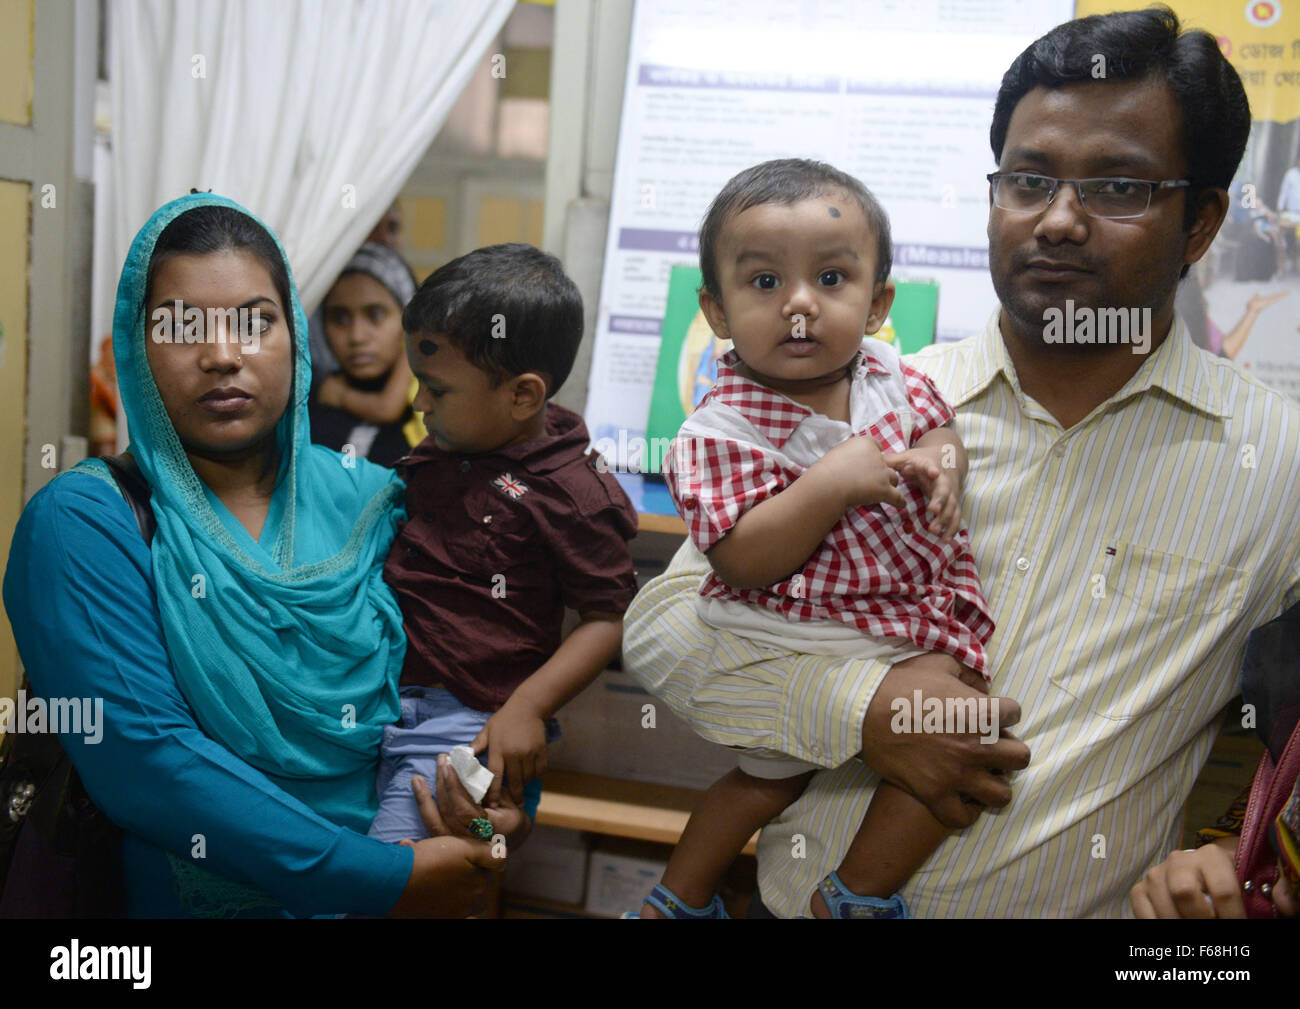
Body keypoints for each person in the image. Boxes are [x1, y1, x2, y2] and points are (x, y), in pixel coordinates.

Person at [622, 6, 1300, 917]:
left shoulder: (1276, 467)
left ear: (1202, 224)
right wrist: (866, 707)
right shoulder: (856, 407)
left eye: (1117, 188)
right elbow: (664, 628)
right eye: (1029, 179)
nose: (1058, 220)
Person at [3, 193, 511, 917]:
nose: (221, 354)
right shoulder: (85, 523)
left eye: (255, 320)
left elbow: (466, 702)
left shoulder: (383, 502)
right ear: (135, 346)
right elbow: (150, 763)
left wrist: (487, 825)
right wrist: (381, 877)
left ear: (295, 338)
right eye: (180, 325)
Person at [637, 159, 994, 920]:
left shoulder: (894, 377)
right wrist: (829, 482)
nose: (800, 304)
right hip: (795, 630)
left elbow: (939, 428)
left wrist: (943, 463)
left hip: (908, 613)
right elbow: (740, 556)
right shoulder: (717, 430)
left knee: (958, 732)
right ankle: (679, 896)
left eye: (831, 278)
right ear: (718, 310)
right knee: (765, 779)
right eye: (765, 283)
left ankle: (854, 895)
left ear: (877, 304)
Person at [370, 243, 639, 844]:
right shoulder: (445, 453)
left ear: (522, 396)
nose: (418, 404)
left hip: (468, 729)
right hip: (379, 705)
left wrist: (528, 708)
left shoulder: (573, 492)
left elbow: (609, 617)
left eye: (436, 390)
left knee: (396, 883)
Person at [308, 242, 423, 468]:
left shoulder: (433, 407)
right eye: (339, 318)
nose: (357, 336)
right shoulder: (304, 406)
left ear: (408, 317)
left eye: (376, 315)